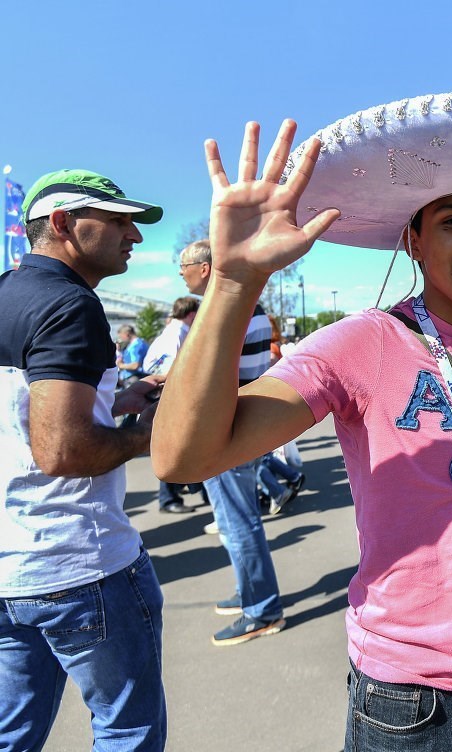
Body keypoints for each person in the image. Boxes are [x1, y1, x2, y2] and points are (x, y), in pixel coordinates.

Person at [151, 93, 452, 750]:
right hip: (410, 699)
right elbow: (183, 459)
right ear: (414, 239)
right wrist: (235, 283)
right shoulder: (364, 341)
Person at [0, 169, 166, 750]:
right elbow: (63, 451)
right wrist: (146, 435)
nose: (134, 236)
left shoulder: (7, 290)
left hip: (11, 567)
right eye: (119, 221)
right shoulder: (71, 304)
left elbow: (23, 416)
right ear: (63, 223)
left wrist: (115, 399)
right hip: (80, 564)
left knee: (11, 735)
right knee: (128, 729)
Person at [176, 238, 286, 645]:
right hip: (241, 425)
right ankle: (251, 593)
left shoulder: (223, 309)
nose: (181, 274)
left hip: (223, 430)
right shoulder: (249, 305)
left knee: (238, 523)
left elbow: (209, 376)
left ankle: (261, 609)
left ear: (204, 268)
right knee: (236, 521)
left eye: (184, 267)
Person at [143, 295, 202, 513]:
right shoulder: (177, 334)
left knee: (181, 447)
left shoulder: (172, 332)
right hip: (171, 396)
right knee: (175, 448)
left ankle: (185, 492)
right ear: (192, 314)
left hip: (168, 394)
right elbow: (174, 369)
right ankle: (169, 499)